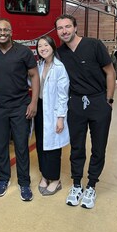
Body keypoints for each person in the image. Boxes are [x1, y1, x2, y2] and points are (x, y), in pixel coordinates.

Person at [55, 14, 116, 209]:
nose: (64, 31)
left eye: (67, 27)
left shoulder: (94, 45)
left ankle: (91, 185)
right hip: (76, 104)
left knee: (98, 147)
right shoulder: (60, 53)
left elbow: (110, 72)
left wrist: (108, 100)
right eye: (60, 28)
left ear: (75, 27)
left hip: (98, 101)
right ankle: (76, 184)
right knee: (77, 147)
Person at [0, 19, 39, 201]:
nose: (2, 33)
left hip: (20, 107)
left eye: (5, 30)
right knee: (0, 145)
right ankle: (4, 179)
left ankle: (24, 183)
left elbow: (34, 75)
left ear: (11, 32)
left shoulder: (23, 52)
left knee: (21, 146)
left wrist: (33, 103)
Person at [35, 36, 70, 196]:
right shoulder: (40, 65)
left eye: (45, 45)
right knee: (41, 144)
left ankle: (55, 180)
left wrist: (61, 118)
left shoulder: (59, 67)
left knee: (53, 147)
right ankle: (44, 176)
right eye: (40, 46)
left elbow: (63, 95)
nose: (43, 48)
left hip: (54, 111)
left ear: (52, 47)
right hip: (41, 109)